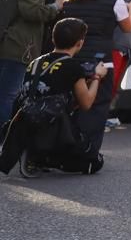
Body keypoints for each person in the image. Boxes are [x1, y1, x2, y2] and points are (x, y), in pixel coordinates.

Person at [1, 17, 109, 174]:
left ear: (53, 38)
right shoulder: (72, 66)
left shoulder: (35, 62)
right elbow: (86, 103)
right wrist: (97, 78)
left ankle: (36, 153)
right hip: (54, 128)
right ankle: (47, 156)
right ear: (80, 43)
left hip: (25, 123)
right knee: (96, 162)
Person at [58, 0, 131, 158]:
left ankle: (61, 150)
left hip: (71, 60)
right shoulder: (114, 1)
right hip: (100, 62)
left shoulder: (71, 0)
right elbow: (128, 28)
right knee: (97, 107)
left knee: (69, 105)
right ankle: (87, 152)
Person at [1, 0, 56, 128]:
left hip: (12, 43)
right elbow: (30, 11)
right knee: (9, 93)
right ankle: (4, 135)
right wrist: (55, 7)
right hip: (20, 46)